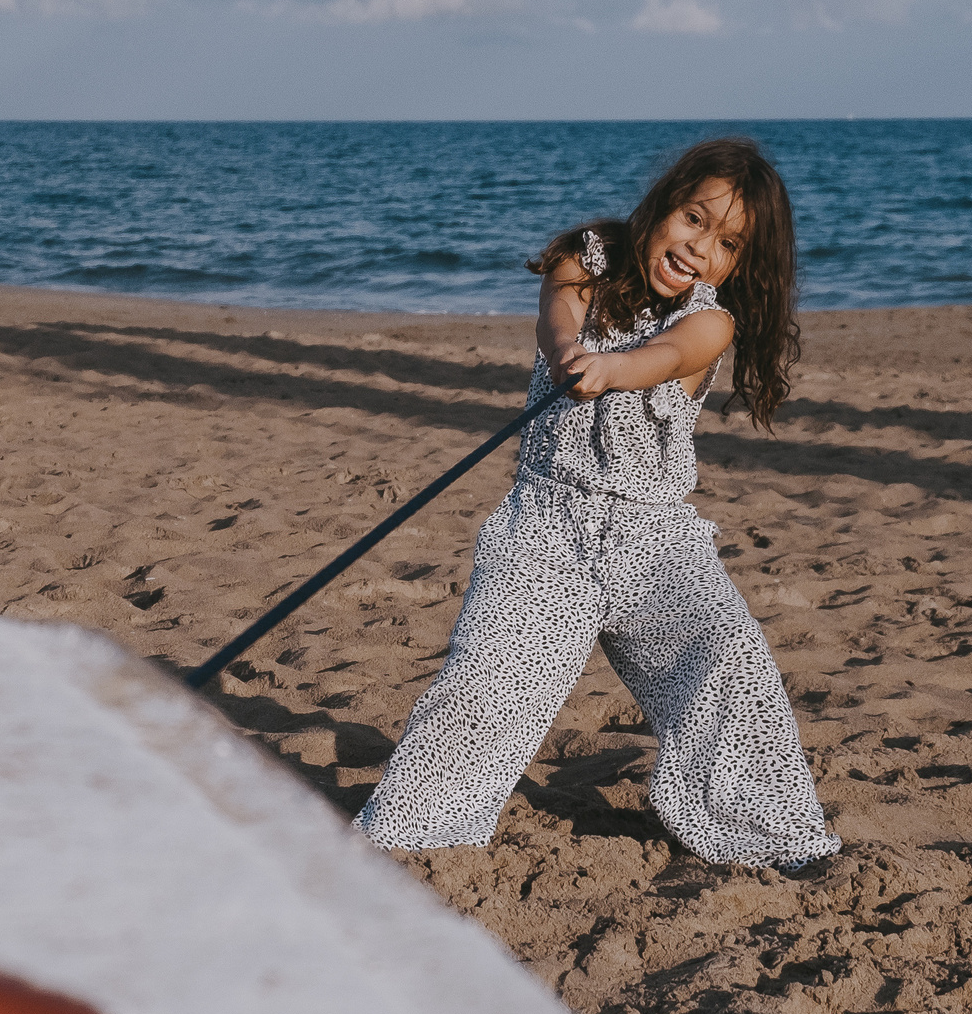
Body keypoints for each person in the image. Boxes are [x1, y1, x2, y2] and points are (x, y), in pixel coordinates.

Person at [353, 136, 841, 871]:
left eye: (726, 242)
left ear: (737, 265)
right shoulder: (586, 257)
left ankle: (773, 836)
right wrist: (568, 354)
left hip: (657, 539)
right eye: (693, 218)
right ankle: (412, 833)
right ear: (664, 202)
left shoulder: (712, 321)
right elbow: (560, 306)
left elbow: (669, 356)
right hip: (547, 525)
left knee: (731, 660)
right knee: (486, 686)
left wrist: (612, 367)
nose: (699, 246)